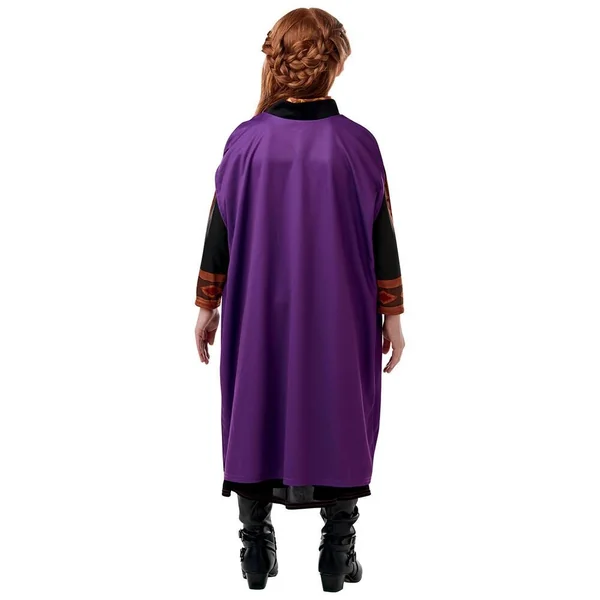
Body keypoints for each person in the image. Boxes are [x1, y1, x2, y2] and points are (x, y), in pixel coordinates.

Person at [194, 7, 405, 593]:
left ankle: (254, 547)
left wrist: (207, 303)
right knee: (341, 410)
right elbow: (382, 235)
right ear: (334, 65)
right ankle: (337, 552)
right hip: (342, 313)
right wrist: (392, 313)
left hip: (256, 310)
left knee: (254, 406)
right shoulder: (358, 145)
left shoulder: (246, 142)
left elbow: (218, 228)